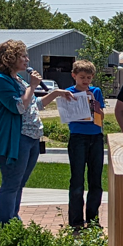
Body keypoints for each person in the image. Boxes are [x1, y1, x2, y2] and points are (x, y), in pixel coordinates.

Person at [39, 58, 105, 230]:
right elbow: (66, 115)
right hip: (78, 137)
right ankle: (75, 220)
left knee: (95, 179)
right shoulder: (67, 92)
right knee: (77, 179)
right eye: (82, 77)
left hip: (95, 136)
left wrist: (94, 103)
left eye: (89, 78)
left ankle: (92, 219)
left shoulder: (96, 91)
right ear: (74, 76)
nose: (86, 81)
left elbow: (101, 118)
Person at [0, 38, 43, 226]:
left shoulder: (17, 79)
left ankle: (12, 218)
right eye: (23, 56)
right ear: (10, 58)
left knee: (19, 183)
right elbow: (18, 107)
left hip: (30, 138)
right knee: (11, 183)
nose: (27, 60)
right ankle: (3, 225)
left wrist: (57, 94)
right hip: (14, 139)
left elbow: (33, 104)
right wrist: (32, 86)